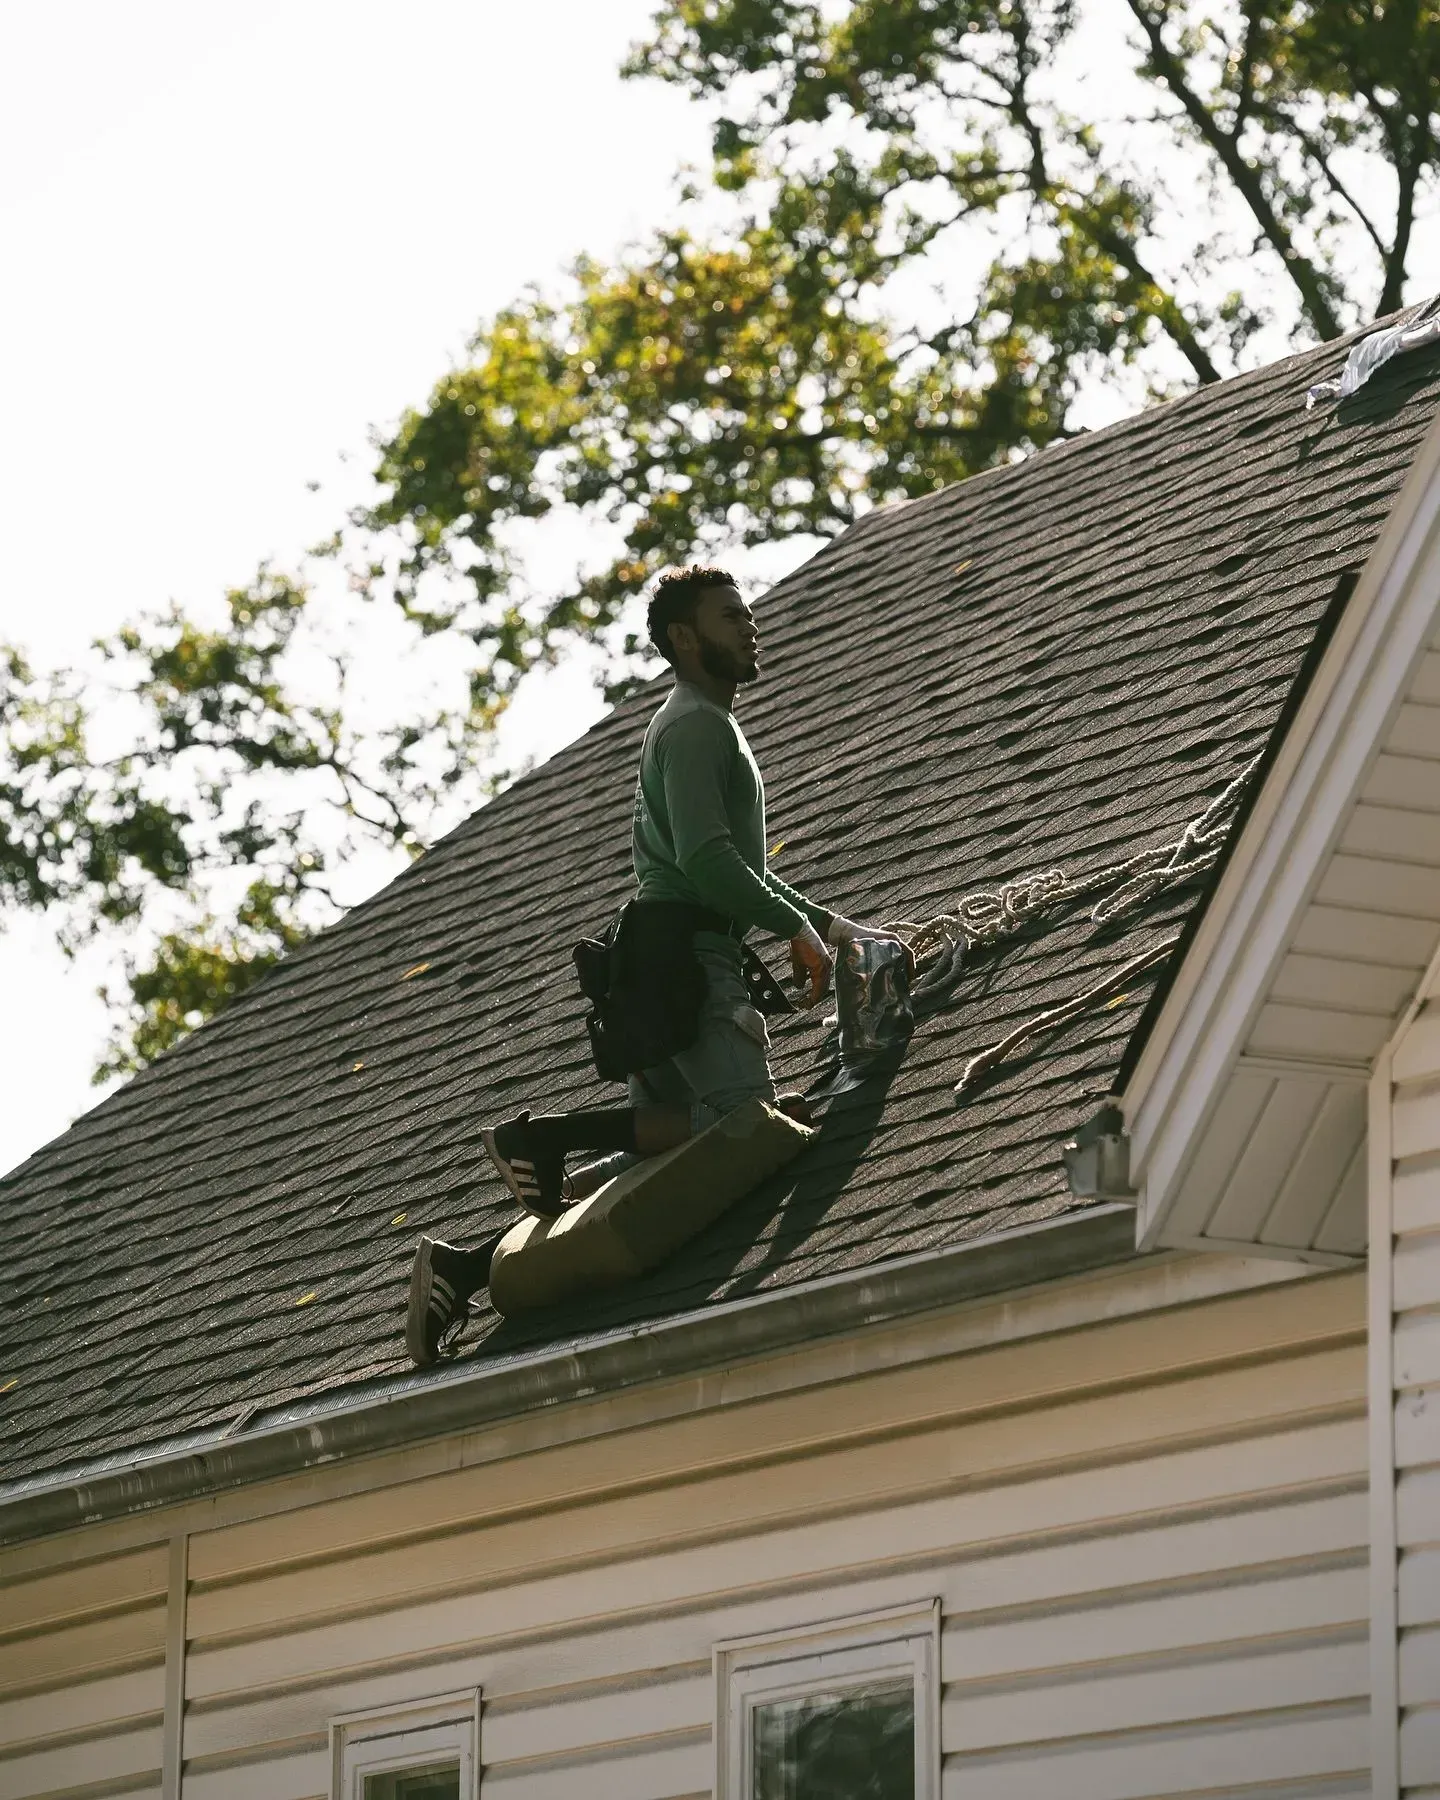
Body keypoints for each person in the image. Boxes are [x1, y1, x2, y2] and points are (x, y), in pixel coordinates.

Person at [406, 565, 903, 1365]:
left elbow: (739, 868)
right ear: (683, 637)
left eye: (749, 613)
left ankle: (462, 1268)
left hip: (659, 957)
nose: (750, 627)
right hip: (689, 963)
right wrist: (798, 931)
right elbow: (709, 864)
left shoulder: (696, 722)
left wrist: (831, 927)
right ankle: (543, 1136)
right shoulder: (697, 728)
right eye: (729, 616)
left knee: (662, 1155)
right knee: (744, 1123)